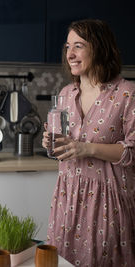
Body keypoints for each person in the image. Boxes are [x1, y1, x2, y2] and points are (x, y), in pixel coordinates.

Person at [42, 19, 135, 266]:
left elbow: (133, 151)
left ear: (100, 47)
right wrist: (51, 144)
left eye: (79, 46)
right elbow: (62, 149)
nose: (70, 54)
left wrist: (85, 148)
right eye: (67, 47)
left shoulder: (126, 94)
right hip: (67, 199)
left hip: (108, 205)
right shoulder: (65, 94)